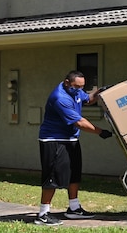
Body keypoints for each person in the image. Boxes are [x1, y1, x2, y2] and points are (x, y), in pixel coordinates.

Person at [34, 70, 112, 224]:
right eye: (76, 87)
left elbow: (87, 99)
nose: (79, 90)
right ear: (67, 82)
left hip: (71, 139)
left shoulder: (76, 91)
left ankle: (74, 209)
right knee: (52, 177)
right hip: (53, 140)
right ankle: (43, 214)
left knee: (74, 174)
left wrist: (98, 92)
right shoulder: (60, 98)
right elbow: (80, 122)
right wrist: (100, 132)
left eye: (82, 87)